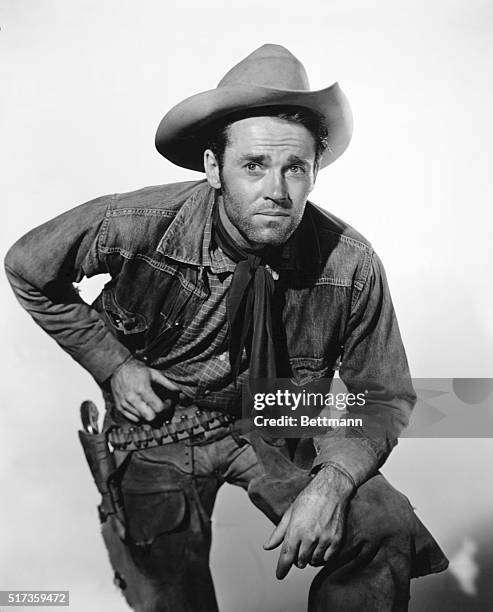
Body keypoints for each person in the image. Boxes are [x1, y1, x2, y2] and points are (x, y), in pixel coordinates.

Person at [5, 44, 448, 611]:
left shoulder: (351, 264)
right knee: (170, 595)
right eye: (255, 165)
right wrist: (113, 364)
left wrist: (332, 484)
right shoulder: (136, 225)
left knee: (385, 526)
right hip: (159, 425)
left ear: (315, 170)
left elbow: (384, 395)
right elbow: (27, 266)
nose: (277, 191)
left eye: (296, 168)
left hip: (279, 411)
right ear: (214, 166)